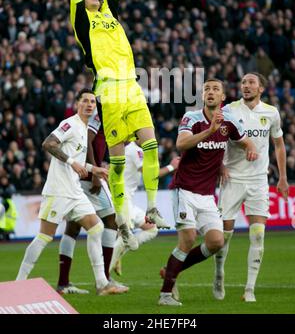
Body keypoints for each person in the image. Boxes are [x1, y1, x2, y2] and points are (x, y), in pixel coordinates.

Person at [67, 0, 169, 250]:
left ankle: (152, 206)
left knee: (151, 143)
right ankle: (123, 220)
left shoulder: (108, 11)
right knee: (118, 159)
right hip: (108, 91)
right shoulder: (82, 20)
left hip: (132, 86)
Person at [158, 79, 258, 306]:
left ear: (223, 97)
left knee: (216, 242)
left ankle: (172, 270)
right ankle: (165, 294)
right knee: (188, 238)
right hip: (184, 189)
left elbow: (244, 141)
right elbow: (181, 145)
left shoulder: (230, 121)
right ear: (202, 96)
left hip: (206, 194)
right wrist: (209, 131)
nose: (210, 92)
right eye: (206, 90)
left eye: (215, 89)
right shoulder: (191, 118)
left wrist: (251, 148)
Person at [16, 88, 124, 295]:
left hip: (74, 191)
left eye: (92, 102)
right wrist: (73, 163)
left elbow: (80, 161)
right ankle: (20, 282)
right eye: (85, 101)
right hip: (58, 191)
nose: (90, 105)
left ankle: (102, 283)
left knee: (96, 227)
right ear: (77, 104)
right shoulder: (70, 124)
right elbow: (48, 143)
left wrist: (95, 169)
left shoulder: (84, 129)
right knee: (44, 237)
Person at [213, 72, 289, 302]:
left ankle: (249, 289)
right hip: (232, 179)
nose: (246, 86)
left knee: (258, 235)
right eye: (243, 82)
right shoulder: (228, 110)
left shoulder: (271, 112)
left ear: (261, 88)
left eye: (251, 83)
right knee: (223, 235)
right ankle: (219, 274)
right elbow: (215, 140)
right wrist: (220, 166)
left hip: (258, 181)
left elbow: (279, 145)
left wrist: (283, 178)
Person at [57, 107, 128, 294]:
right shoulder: (100, 111)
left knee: (72, 228)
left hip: (77, 176)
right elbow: (88, 138)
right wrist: (95, 171)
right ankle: (104, 279)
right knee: (111, 219)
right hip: (87, 176)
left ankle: (64, 283)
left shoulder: (106, 111)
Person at [110, 141, 180, 276]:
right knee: (124, 235)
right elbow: (151, 175)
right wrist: (172, 167)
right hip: (121, 198)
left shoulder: (135, 150)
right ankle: (104, 279)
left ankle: (118, 256)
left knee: (152, 229)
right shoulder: (135, 151)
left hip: (127, 199)